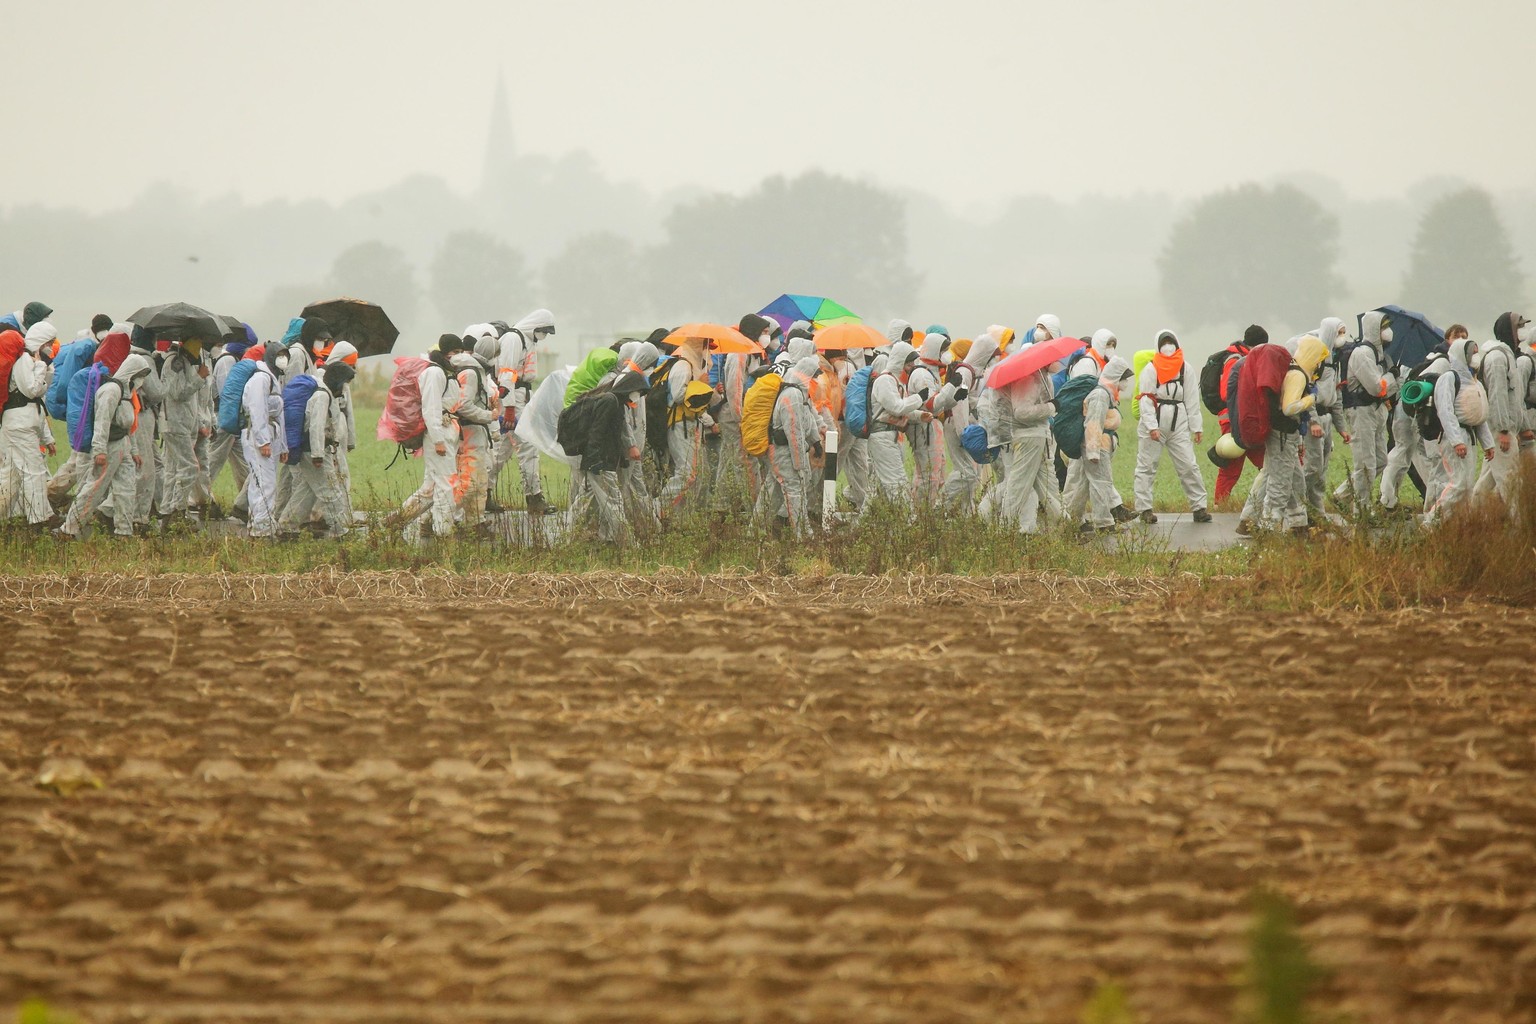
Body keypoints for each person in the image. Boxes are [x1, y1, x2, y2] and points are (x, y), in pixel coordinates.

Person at [1238, 336, 1329, 535]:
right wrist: (1310, 399)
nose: (1320, 364)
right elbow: (1289, 408)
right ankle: (1269, 527)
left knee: (1294, 479)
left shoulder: (1294, 371)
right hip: (1283, 434)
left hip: (1283, 434)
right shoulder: (1298, 376)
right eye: (1319, 359)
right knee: (1280, 482)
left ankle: (1296, 524)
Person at [57, 353, 153, 539]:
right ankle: (68, 530)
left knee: (126, 489)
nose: (141, 381)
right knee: (94, 490)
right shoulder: (111, 391)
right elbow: (102, 421)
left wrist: (133, 451)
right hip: (109, 446)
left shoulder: (126, 394)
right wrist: (99, 450)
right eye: (140, 375)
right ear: (132, 373)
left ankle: (124, 532)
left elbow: (128, 425)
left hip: (122, 445)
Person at [392, 335, 467, 538]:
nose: (460, 356)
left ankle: (393, 523)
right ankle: (444, 532)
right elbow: (431, 408)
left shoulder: (447, 372)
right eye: (457, 352)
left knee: (431, 488)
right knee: (446, 485)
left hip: (447, 431)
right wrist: (438, 440)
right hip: (439, 434)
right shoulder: (434, 372)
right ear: (447, 353)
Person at [1132, 329, 1210, 524]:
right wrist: (1151, 426)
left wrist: (1196, 427)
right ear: (1158, 346)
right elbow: (1146, 400)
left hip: (1179, 422)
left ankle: (1199, 507)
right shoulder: (1151, 369)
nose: (1168, 346)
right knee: (1147, 466)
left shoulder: (1186, 369)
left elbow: (1192, 399)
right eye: (1164, 342)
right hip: (1155, 422)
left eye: (1171, 341)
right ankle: (1144, 509)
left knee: (1188, 465)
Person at [49, 328, 131, 510]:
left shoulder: (88, 373)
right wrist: (95, 446)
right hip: (90, 440)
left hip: (83, 436)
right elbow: (98, 414)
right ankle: (73, 522)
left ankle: (61, 505)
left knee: (83, 475)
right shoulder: (99, 379)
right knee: (88, 482)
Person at [567, 370, 650, 545]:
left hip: (598, 461)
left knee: (584, 503)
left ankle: (568, 538)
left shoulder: (616, 403)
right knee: (613, 501)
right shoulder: (610, 402)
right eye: (638, 393)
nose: (637, 398)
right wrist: (596, 460)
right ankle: (628, 544)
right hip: (601, 463)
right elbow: (597, 433)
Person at [276, 359, 355, 539]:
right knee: (330, 490)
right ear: (337, 380)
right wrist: (318, 454)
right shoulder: (322, 396)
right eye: (344, 384)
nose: (344, 389)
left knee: (308, 491)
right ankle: (341, 531)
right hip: (314, 451)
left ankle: (287, 526)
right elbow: (316, 426)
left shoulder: (326, 394)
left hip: (313, 450)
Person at [1381, 327, 1454, 517]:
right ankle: (1386, 499)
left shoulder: (1429, 359)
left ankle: (1390, 499)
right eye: (1457, 336)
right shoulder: (1441, 363)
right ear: (1447, 339)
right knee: (1400, 453)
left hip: (1405, 411)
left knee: (1404, 456)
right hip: (1408, 413)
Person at [982, 359, 1061, 533]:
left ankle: (1067, 525)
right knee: (1018, 486)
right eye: (1055, 360)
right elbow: (1022, 412)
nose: (1058, 362)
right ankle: (1004, 529)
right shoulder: (1029, 379)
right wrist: (1050, 407)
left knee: (1046, 487)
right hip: (1028, 437)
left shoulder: (1040, 377)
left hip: (1035, 435)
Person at [491, 309, 556, 515]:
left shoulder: (528, 341)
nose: (543, 336)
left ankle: (482, 493)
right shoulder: (513, 338)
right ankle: (534, 498)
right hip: (512, 399)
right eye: (543, 331)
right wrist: (509, 408)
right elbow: (507, 374)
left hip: (521, 397)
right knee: (528, 446)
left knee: (501, 451)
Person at [1426, 336, 1494, 525]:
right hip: (1454, 438)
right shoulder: (1448, 378)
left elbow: (1479, 416)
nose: (1475, 356)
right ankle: (1431, 523)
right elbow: (1445, 412)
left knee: (1467, 486)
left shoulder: (1475, 383)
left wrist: (1488, 444)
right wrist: (1457, 441)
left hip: (1469, 438)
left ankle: (1455, 527)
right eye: (1471, 353)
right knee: (1459, 484)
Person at [1064, 356, 1134, 534]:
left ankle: (1070, 520)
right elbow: (1093, 423)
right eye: (1123, 378)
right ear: (1116, 377)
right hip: (1096, 447)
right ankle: (1104, 523)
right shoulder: (1101, 395)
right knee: (1101, 483)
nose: (1125, 382)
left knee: (1083, 485)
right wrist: (1094, 452)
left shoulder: (1104, 393)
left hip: (1091, 446)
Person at [713, 314, 772, 513]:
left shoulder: (753, 352)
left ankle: (720, 505)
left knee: (728, 459)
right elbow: (734, 389)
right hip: (735, 415)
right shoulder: (739, 354)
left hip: (741, 414)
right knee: (745, 461)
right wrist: (742, 419)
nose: (767, 337)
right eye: (764, 332)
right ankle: (755, 508)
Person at [760, 356, 824, 535]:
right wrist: (800, 464)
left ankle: (755, 531)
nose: (817, 381)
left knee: (773, 493)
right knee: (795, 491)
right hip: (783, 452)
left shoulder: (800, 395)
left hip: (787, 452)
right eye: (815, 377)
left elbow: (808, 420)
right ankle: (802, 534)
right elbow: (794, 432)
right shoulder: (792, 395)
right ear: (806, 376)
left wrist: (815, 441)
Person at [0, 326, 57, 527]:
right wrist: (41, 367)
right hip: (19, 425)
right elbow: (32, 391)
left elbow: (36, 403)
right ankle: (39, 520)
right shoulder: (25, 361)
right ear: (40, 342)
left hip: (18, 424)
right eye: (49, 343)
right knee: (34, 471)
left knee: (12, 476)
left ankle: (8, 519)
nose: (50, 348)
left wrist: (47, 438)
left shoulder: (29, 361)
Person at [1472, 312, 1529, 507]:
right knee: (1510, 480)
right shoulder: (1497, 357)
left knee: (1485, 484)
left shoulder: (1507, 354)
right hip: (1499, 430)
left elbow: (1515, 397)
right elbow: (1498, 396)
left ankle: (1469, 519)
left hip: (1505, 429)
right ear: (1509, 330)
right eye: (1518, 327)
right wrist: (1504, 430)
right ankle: (1519, 529)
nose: (1522, 332)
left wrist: (1519, 427)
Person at [1341, 310, 1396, 508]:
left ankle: (1341, 496)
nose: (1388, 332)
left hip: (1377, 412)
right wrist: (1392, 378)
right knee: (1365, 465)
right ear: (1374, 329)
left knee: (1380, 460)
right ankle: (1361, 510)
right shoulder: (1362, 354)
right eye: (1383, 327)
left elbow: (1384, 389)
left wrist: (1389, 381)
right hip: (1361, 411)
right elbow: (1376, 387)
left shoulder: (1380, 355)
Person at [941, 333, 1002, 509]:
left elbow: (971, 400)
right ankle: (941, 505)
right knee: (966, 473)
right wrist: (964, 433)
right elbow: (959, 403)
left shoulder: (973, 373)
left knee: (971, 473)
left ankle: (966, 511)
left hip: (963, 425)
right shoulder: (965, 373)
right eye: (990, 356)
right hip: (956, 426)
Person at [866, 339, 927, 507]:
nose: (911, 368)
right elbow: (896, 407)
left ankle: (862, 526)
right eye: (909, 363)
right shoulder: (884, 381)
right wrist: (919, 398)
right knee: (896, 481)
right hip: (882, 436)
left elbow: (901, 407)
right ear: (900, 361)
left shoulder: (894, 381)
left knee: (879, 487)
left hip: (888, 435)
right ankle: (907, 523)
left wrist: (920, 415)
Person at [157, 336, 209, 525]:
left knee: (172, 469)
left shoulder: (183, 362)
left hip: (180, 424)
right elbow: (177, 393)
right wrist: (199, 378)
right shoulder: (176, 362)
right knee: (189, 467)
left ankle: (167, 512)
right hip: (175, 424)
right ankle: (178, 510)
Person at [658, 334, 713, 511]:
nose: (707, 351)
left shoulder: (694, 368)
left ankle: (681, 518)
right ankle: (657, 509)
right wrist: (699, 384)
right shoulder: (683, 366)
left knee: (695, 475)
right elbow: (678, 395)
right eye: (705, 346)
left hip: (690, 424)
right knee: (686, 474)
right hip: (679, 425)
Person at [1302, 319, 1351, 516]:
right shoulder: (1316, 358)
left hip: (1327, 419)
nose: (1342, 336)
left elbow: (1336, 396)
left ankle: (1316, 513)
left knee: (1321, 471)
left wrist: (1341, 427)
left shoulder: (1334, 361)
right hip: (1314, 418)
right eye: (1340, 332)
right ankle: (1296, 504)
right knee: (1312, 467)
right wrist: (1312, 420)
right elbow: (1305, 391)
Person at [449, 338, 497, 533]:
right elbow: (463, 406)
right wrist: (488, 416)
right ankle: (437, 515)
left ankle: (475, 522)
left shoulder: (478, 371)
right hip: (469, 434)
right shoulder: (471, 372)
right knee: (469, 485)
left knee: (480, 482)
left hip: (477, 433)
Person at [207, 325, 255, 521]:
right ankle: (198, 499)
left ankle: (246, 503)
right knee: (213, 460)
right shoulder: (227, 361)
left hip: (232, 420)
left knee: (245, 462)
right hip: (225, 418)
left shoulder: (231, 359)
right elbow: (228, 392)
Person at [241, 344, 288, 539]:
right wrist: (262, 441)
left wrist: (283, 445)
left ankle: (261, 525)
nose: (283, 359)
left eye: (285, 355)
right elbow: (257, 409)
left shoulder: (273, 380)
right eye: (279, 355)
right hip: (258, 436)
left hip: (271, 434)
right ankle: (261, 532)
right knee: (265, 484)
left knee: (262, 482)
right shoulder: (261, 379)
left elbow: (279, 415)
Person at [1216, 326, 1265, 508]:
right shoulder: (1235, 360)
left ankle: (1264, 502)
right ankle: (1220, 505)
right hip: (1233, 421)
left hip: (1247, 420)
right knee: (1231, 466)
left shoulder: (1245, 358)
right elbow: (1225, 393)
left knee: (1265, 462)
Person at [905, 331, 949, 506]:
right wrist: (950, 389)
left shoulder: (931, 372)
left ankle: (925, 509)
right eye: (942, 350)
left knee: (937, 471)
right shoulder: (922, 374)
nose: (945, 354)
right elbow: (932, 404)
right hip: (924, 426)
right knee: (928, 472)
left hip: (931, 426)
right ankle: (921, 512)